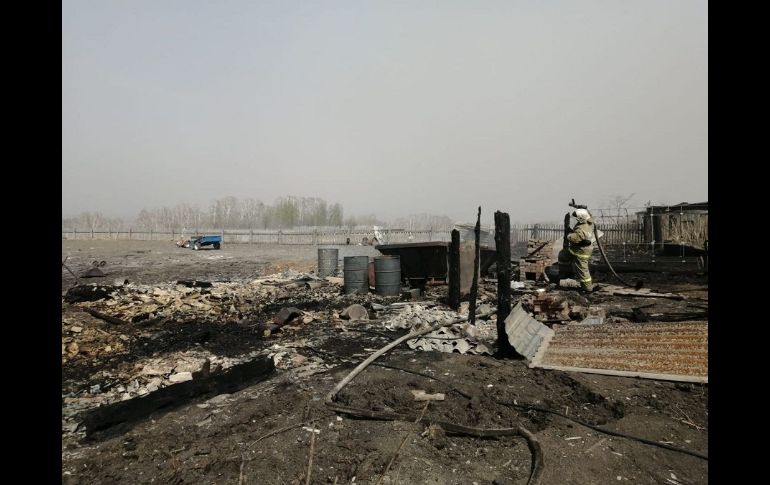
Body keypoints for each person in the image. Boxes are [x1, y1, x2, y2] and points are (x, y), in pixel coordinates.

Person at [557, 208, 595, 292]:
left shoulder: (581, 229)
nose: (575, 218)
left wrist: (568, 234)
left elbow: (574, 238)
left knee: (582, 269)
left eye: (576, 217)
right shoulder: (588, 222)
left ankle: (587, 288)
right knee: (563, 255)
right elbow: (590, 216)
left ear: (581, 218)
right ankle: (566, 273)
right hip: (577, 248)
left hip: (581, 251)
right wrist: (583, 208)